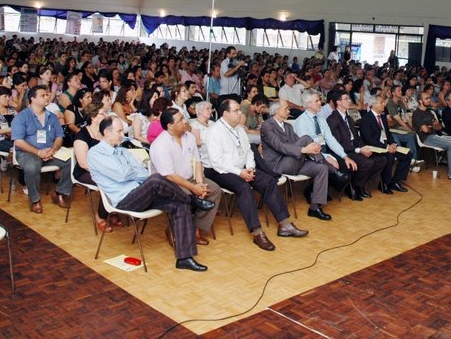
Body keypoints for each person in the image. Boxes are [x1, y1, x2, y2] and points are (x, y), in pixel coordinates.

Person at [88, 116, 212, 271]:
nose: (122, 134)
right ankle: (192, 199)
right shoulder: (95, 153)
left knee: (179, 204)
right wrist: (131, 172)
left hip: (141, 193)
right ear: (106, 132)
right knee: (156, 178)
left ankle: (184, 258)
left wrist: (130, 172)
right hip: (124, 200)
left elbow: (141, 171)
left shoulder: (122, 151)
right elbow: (121, 175)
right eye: (119, 131)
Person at [206, 99, 308, 251]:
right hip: (221, 171)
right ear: (225, 114)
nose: (240, 113)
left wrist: (251, 168)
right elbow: (217, 162)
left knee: (269, 181)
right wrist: (240, 173)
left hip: (244, 168)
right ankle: (257, 232)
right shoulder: (214, 131)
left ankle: (285, 225)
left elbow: (248, 151)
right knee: (244, 187)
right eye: (236, 111)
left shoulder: (239, 129)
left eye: (240, 109)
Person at [150, 107, 221, 246]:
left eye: (183, 117)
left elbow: (198, 161)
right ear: (170, 126)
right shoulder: (160, 144)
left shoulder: (189, 137)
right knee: (187, 196)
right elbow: (169, 176)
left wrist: (200, 183)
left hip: (191, 178)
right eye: (181, 119)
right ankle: (173, 230)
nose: (185, 121)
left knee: (214, 190)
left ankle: (196, 229)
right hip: (169, 183)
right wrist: (194, 188)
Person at [260, 99, 336, 220]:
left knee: (321, 168)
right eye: (286, 108)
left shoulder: (288, 126)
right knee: (306, 138)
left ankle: (315, 208)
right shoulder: (267, 126)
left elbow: (297, 143)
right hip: (278, 164)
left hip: (294, 161)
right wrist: (304, 150)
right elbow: (279, 146)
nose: (289, 110)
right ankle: (332, 169)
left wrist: (310, 148)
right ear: (277, 110)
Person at [11, 84, 72, 213]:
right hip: (28, 152)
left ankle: (60, 193)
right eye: (43, 95)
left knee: (72, 160)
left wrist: (53, 149)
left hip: (50, 151)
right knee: (32, 167)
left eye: (47, 94)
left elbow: (59, 137)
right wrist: (38, 152)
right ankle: (35, 200)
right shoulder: (21, 117)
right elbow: (19, 142)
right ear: (32, 99)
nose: (47, 97)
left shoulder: (52, 116)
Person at [326, 89, 385, 199]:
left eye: (348, 98)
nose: (349, 101)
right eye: (346, 99)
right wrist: (358, 150)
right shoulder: (332, 119)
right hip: (344, 151)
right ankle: (356, 187)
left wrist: (364, 147)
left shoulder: (349, 118)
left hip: (354, 148)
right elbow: (338, 143)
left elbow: (357, 138)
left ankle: (358, 183)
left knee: (381, 159)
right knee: (367, 163)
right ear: (338, 102)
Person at [293, 90, 354, 195]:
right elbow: (308, 147)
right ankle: (311, 191)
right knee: (331, 167)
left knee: (346, 164)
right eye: (316, 101)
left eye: (319, 100)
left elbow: (330, 139)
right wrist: (326, 157)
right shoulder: (301, 121)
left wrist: (344, 156)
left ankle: (318, 189)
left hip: (323, 151)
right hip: (309, 155)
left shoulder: (321, 119)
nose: (320, 103)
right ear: (308, 104)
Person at [73, 102, 117, 232]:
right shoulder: (82, 135)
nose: (106, 115)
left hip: (104, 169)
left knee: (121, 178)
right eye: (103, 113)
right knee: (108, 181)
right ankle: (101, 216)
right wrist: (104, 172)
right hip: (84, 171)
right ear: (93, 117)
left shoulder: (106, 134)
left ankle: (113, 211)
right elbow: (83, 163)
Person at [412, 92, 451, 182]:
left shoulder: (429, 112)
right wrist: (431, 127)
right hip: (426, 139)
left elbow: (439, 127)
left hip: (435, 135)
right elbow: (425, 130)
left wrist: (430, 127)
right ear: (420, 101)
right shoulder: (417, 113)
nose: (429, 100)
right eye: (426, 98)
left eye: (429, 98)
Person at [359, 94, 412, 194]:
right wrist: (387, 147)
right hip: (374, 147)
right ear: (373, 105)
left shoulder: (382, 117)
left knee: (407, 154)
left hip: (386, 145)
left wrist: (392, 144)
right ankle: (384, 184)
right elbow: (369, 139)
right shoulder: (366, 119)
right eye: (381, 102)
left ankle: (395, 182)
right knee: (389, 157)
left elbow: (388, 133)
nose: (384, 104)